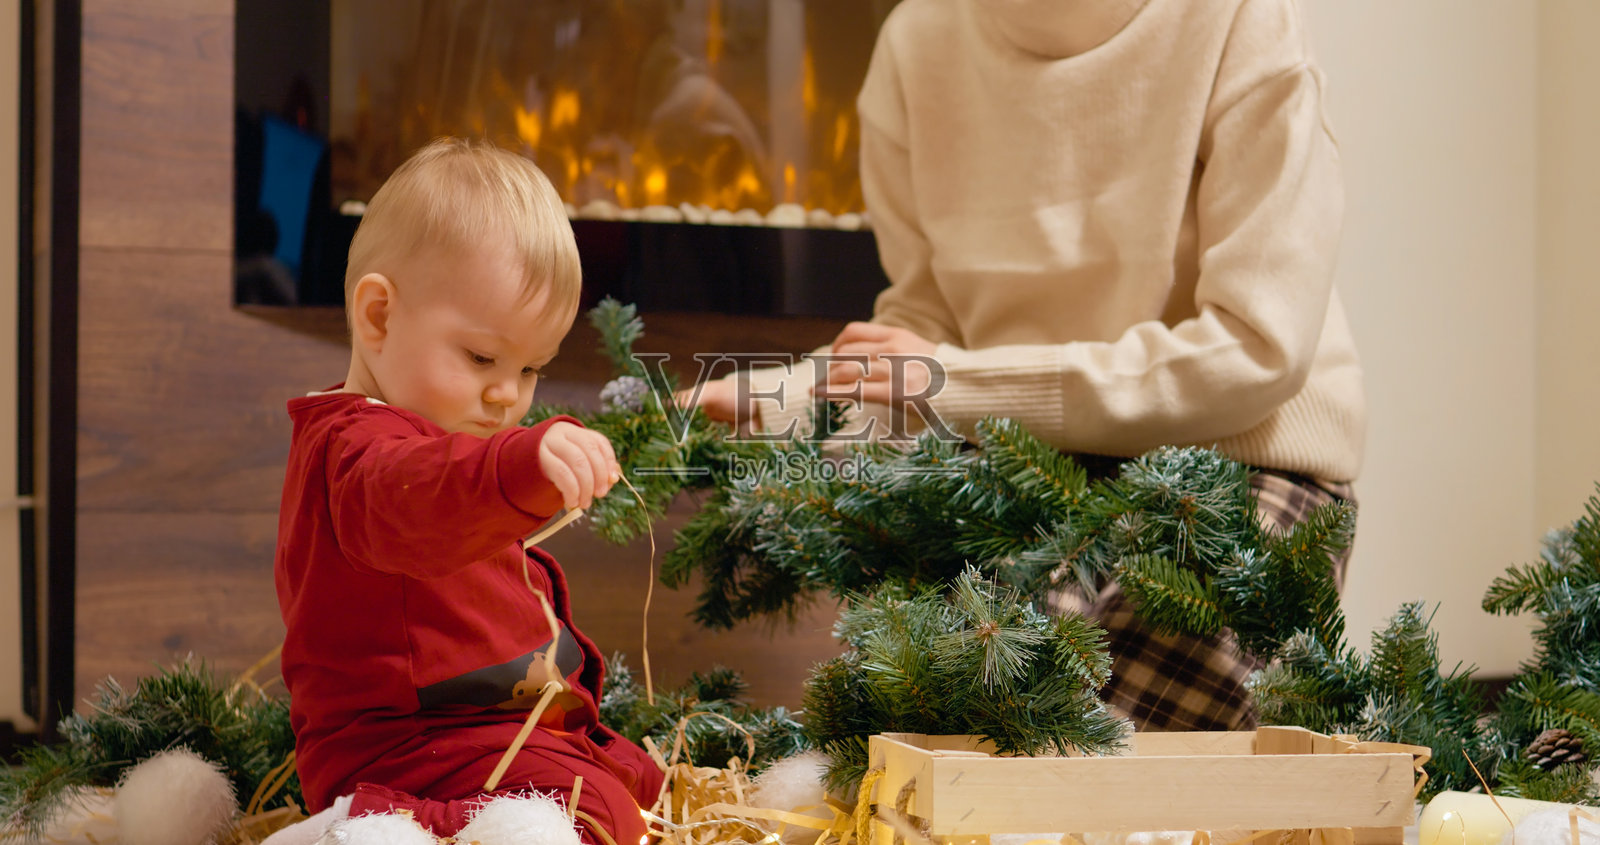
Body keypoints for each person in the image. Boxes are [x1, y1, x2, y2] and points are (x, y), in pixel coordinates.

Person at [693, 0, 1363, 732]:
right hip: (1014, 459)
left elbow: (1255, 350)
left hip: (1233, 459)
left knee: (1115, 752)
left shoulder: (1239, 18)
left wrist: (961, 385)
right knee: (946, 733)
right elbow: (926, 325)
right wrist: (782, 399)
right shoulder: (918, 41)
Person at [270, 137, 661, 842]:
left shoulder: (433, 438)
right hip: (409, 750)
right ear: (379, 316)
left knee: (640, 782)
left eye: (531, 368)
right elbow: (422, 501)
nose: (507, 395)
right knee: (598, 814)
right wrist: (520, 461)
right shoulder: (359, 454)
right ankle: (360, 829)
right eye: (482, 356)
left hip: (493, 732)